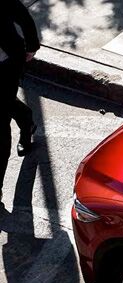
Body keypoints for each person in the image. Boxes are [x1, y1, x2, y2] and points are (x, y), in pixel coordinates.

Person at [0, 0, 40, 194]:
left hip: (5, 66)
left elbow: (22, 16)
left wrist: (32, 46)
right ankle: (25, 118)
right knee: (6, 102)